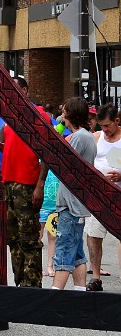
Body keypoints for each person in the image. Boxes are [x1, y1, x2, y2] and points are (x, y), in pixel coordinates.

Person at [0, 77, 48, 288]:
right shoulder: (9, 118)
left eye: (15, 90)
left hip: (27, 184)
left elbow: (47, 153)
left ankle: (33, 286)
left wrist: (40, 184)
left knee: (29, 239)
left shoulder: (38, 115)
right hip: (8, 183)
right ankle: (20, 283)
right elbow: (3, 142)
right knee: (13, 239)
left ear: (25, 90)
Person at [52, 98, 97, 291]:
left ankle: (54, 298)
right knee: (77, 254)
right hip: (75, 204)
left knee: (63, 253)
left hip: (71, 206)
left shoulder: (80, 138)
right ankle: (80, 295)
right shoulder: (85, 136)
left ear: (70, 113)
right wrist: (61, 128)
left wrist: (60, 130)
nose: (62, 114)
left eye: (64, 111)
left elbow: (61, 162)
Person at [86, 103, 121, 291]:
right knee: (94, 235)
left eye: (107, 125)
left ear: (117, 120)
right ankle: (96, 277)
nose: (104, 130)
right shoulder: (96, 137)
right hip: (98, 195)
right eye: (101, 126)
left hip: (119, 195)